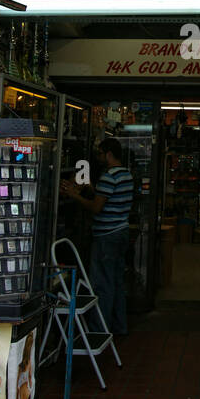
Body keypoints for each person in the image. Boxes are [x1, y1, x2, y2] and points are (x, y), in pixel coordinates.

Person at [61, 138, 133, 335]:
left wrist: (75, 195)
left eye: (100, 154)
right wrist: (92, 187)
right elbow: (108, 198)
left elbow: (96, 208)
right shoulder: (126, 175)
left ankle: (100, 330)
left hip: (106, 238)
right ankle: (119, 326)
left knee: (102, 285)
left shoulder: (109, 177)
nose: (99, 158)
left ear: (109, 154)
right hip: (121, 233)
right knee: (116, 282)